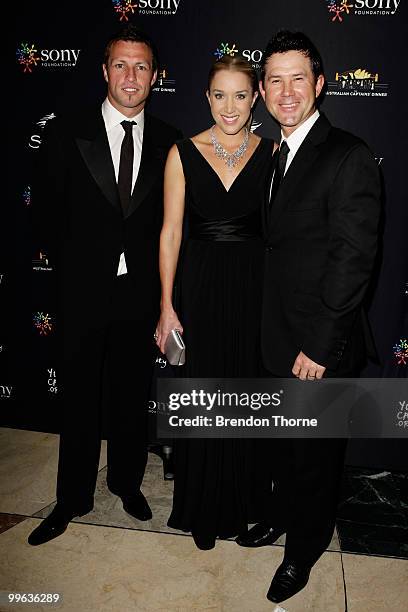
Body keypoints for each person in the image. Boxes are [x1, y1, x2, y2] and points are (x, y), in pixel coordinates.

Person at [235, 31, 381, 603]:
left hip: (320, 345)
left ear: (320, 85)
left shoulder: (348, 155)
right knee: (281, 447)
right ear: (263, 92)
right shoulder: (274, 155)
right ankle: (278, 516)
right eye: (275, 79)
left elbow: (353, 260)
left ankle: (303, 552)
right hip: (275, 337)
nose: (286, 90)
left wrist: (320, 347)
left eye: (299, 78)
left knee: (316, 457)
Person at [28, 25, 181, 546]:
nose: (130, 77)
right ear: (104, 71)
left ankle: (126, 484)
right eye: (121, 65)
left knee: (131, 395)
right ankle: (71, 498)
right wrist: (76, 268)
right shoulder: (67, 131)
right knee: (79, 402)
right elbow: (45, 213)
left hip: (139, 295)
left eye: (141, 67)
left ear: (155, 76)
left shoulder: (170, 142)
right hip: (81, 293)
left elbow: (171, 222)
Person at [155, 55, 275, 550]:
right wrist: (166, 305)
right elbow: (170, 233)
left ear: (256, 99)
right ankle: (202, 508)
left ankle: (245, 504)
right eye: (220, 95)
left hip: (253, 292)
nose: (230, 107)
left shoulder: (273, 153)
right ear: (206, 97)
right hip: (198, 291)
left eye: (241, 95)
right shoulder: (181, 153)